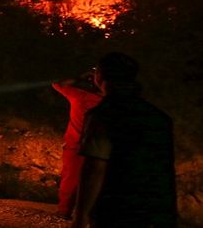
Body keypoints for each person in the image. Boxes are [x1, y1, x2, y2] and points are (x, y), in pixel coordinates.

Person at [72, 52, 177, 228]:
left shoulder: (104, 115)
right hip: (156, 210)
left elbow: (95, 168)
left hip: (117, 209)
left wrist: (81, 216)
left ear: (100, 76)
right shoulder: (159, 117)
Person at [52, 70, 103, 219]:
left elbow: (57, 84)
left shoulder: (80, 96)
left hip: (75, 146)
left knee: (70, 179)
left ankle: (64, 211)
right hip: (100, 148)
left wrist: (79, 76)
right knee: (97, 181)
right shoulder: (113, 105)